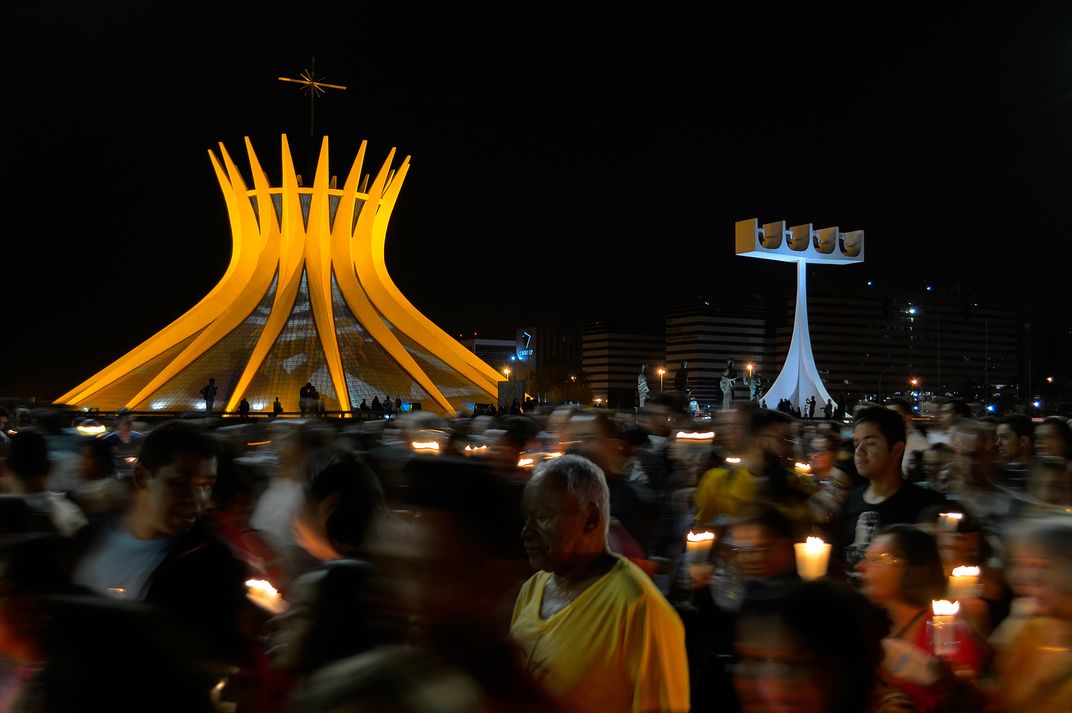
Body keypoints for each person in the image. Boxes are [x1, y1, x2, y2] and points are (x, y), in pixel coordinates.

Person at [511, 454, 690, 713]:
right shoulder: (532, 589)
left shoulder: (638, 607)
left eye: (542, 517)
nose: (526, 531)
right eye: (527, 518)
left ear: (591, 518)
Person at [72, 420, 254, 667]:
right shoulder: (90, 538)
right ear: (142, 476)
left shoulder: (211, 566)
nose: (197, 499)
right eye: (180, 482)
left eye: (206, 485)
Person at [857, 523, 988, 713]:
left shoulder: (945, 627)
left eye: (875, 559)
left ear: (909, 568)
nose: (861, 567)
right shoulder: (866, 623)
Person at [834, 406, 948, 576]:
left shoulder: (924, 505)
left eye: (870, 443)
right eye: (856, 444)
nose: (859, 452)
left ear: (896, 449)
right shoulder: (851, 499)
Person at [995, 414, 1033, 490]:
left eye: (1004, 437)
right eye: (997, 437)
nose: (997, 443)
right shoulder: (999, 472)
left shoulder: (1039, 476)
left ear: (1023, 441)